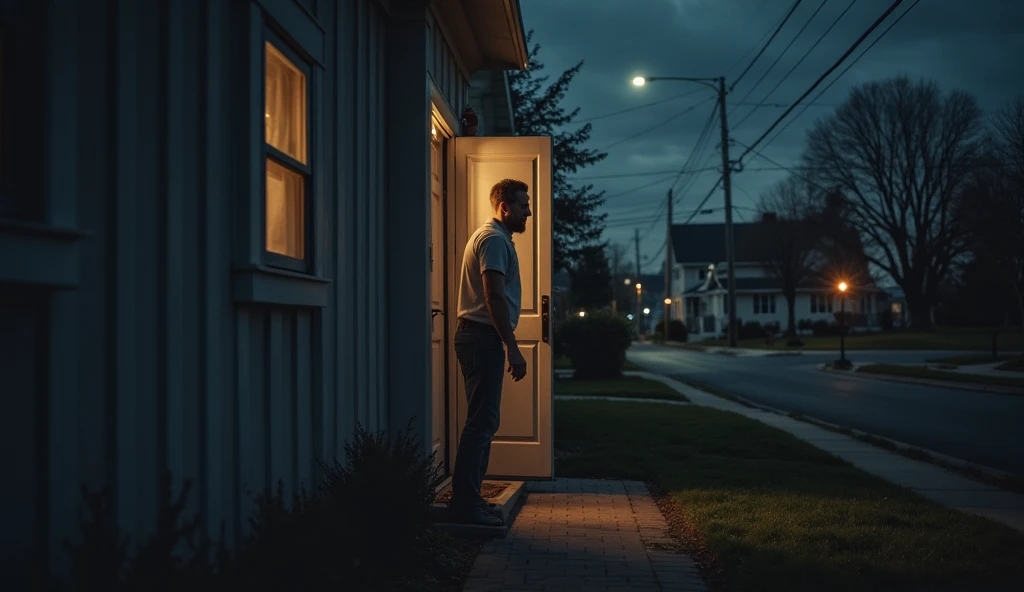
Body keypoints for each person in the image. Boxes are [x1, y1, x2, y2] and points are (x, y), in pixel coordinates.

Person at [448, 178, 531, 526]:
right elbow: (493, 296)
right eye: (524, 205)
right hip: (481, 338)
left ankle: (471, 500)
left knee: (484, 421)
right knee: (481, 423)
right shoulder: (494, 240)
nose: (528, 211)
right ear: (504, 207)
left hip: (481, 337)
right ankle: (465, 505)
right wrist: (512, 347)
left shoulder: (495, 238)